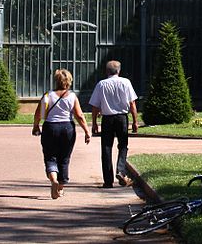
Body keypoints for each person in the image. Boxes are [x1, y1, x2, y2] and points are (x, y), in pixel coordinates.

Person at [32, 68, 91, 199]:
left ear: (56, 81)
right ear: (69, 81)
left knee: (50, 157)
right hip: (67, 128)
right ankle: (60, 187)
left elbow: (38, 114)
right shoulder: (72, 96)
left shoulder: (48, 95)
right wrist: (87, 131)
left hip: (50, 127)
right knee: (64, 158)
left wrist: (36, 126)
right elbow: (79, 116)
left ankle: (53, 180)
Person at [88, 60, 139, 188]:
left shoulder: (101, 84)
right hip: (122, 118)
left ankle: (108, 181)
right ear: (119, 71)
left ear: (106, 71)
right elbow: (132, 103)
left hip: (107, 119)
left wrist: (94, 123)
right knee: (123, 145)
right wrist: (135, 121)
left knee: (106, 148)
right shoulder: (126, 82)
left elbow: (95, 106)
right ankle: (120, 170)